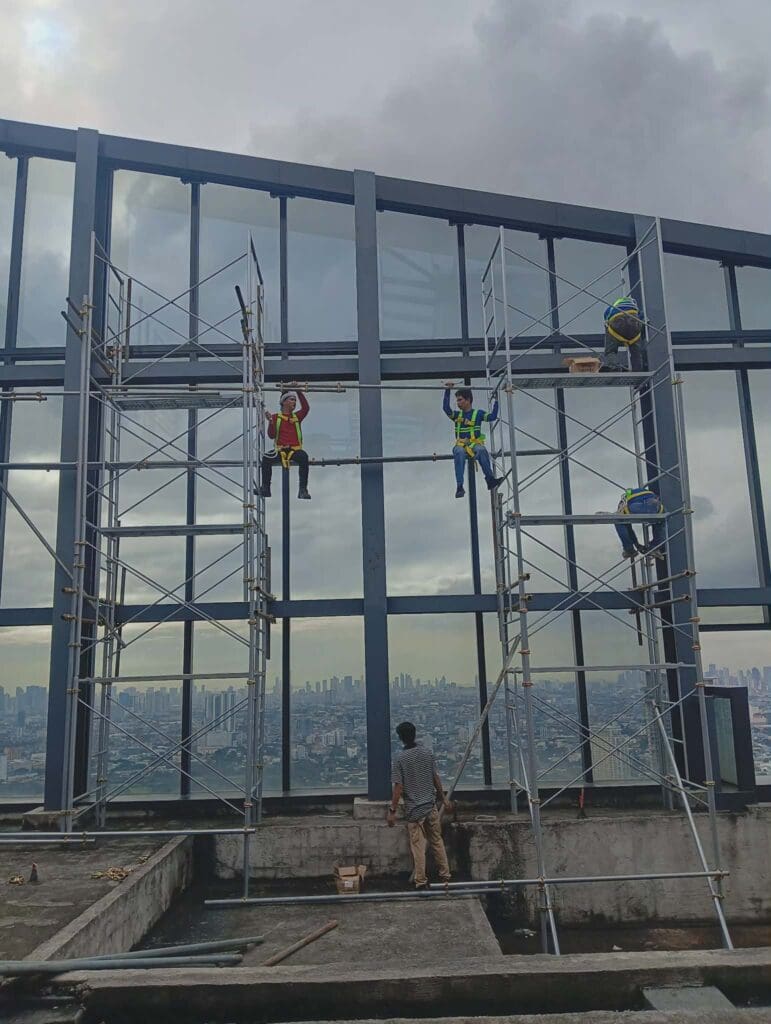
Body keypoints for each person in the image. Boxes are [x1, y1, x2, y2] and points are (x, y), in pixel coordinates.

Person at [387, 721, 452, 890]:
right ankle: (446, 876)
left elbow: (398, 787)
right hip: (431, 807)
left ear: (400, 738)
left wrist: (392, 810)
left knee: (418, 847)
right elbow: (435, 777)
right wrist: (443, 798)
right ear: (415, 734)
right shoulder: (427, 753)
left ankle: (421, 881)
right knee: (437, 841)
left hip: (415, 811)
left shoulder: (400, 759)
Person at [443, 384, 504, 498]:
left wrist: (496, 400)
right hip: (461, 444)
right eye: (457, 400)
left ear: (468, 400)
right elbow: (446, 409)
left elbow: (492, 417)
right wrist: (447, 390)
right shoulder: (457, 415)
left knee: (481, 450)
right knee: (459, 452)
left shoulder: (478, 414)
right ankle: (460, 486)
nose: (458, 403)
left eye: (460, 400)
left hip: (474, 443)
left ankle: (490, 480)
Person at [257, 388, 311, 499]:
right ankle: (266, 488)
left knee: (304, 457)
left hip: (294, 450)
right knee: (266, 459)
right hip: (280, 450)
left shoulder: (296, 417)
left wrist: (298, 391)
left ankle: (302, 489)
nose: (294, 403)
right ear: (284, 402)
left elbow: (306, 408)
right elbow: (271, 435)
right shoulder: (276, 418)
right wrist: (271, 422)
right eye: (292, 400)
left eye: (295, 400)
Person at [615, 485, 666, 560]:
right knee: (660, 521)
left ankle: (629, 549)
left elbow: (629, 531)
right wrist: (638, 545)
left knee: (619, 521)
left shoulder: (623, 504)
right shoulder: (644, 495)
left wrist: (633, 547)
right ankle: (655, 547)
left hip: (636, 506)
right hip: (655, 505)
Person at [602, 296, 645, 372]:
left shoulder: (614, 306)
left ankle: (614, 366)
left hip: (618, 322)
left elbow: (606, 314)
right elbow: (641, 316)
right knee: (636, 351)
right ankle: (638, 369)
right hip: (633, 322)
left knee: (610, 351)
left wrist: (607, 323)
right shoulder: (633, 306)